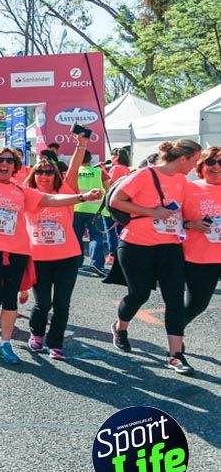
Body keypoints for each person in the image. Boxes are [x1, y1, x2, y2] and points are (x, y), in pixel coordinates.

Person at [0, 120, 100, 364]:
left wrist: (84, 196)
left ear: (15, 168)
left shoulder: (22, 192)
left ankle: (6, 343)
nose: (5, 164)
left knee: (10, 298)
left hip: (18, 250)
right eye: (1, 160)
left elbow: (54, 200)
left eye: (10, 161)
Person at [108, 138, 201, 374]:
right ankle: (120, 327)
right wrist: (151, 212)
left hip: (169, 245)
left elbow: (179, 211)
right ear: (183, 158)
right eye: (194, 160)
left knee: (174, 299)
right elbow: (115, 200)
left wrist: (191, 223)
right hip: (136, 244)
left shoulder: (181, 180)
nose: (194, 166)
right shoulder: (144, 175)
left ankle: (175, 355)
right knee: (139, 294)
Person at [24, 134, 91, 360]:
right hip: (39, 258)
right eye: (39, 172)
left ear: (56, 175)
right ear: (34, 175)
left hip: (67, 257)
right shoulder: (28, 194)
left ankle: (56, 342)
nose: (44, 175)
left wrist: (81, 144)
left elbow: (73, 168)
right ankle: (36, 333)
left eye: (48, 171)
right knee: (43, 303)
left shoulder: (67, 191)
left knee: (62, 303)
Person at [181, 147, 221, 354]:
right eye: (211, 162)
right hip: (199, 257)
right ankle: (176, 334)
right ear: (201, 166)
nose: (216, 166)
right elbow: (169, 219)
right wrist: (190, 224)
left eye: (220, 162)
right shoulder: (188, 188)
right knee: (197, 305)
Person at [72, 148, 110, 276]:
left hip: (77, 208)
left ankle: (76, 263)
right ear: (90, 159)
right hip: (95, 209)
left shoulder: (74, 172)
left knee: (76, 237)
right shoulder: (99, 171)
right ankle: (96, 264)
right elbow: (108, 188)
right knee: (96, 237)